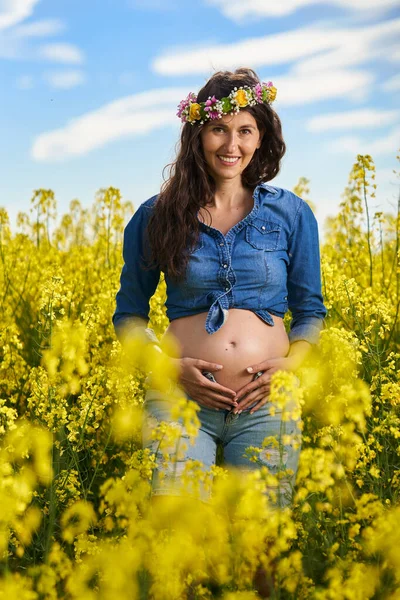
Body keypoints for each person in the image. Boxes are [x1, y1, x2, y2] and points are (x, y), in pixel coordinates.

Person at [113, 67, 327, 508]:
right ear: (198, 136)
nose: (232, 145)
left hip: (267, 404)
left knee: (262, 551)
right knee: (179, 542)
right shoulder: (156, 216)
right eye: (218, 130)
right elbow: (129, 315)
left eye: (245, 130)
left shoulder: (291, 213)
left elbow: (311, 311)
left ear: (261, 136)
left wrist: (291, 368)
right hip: (179, 400)